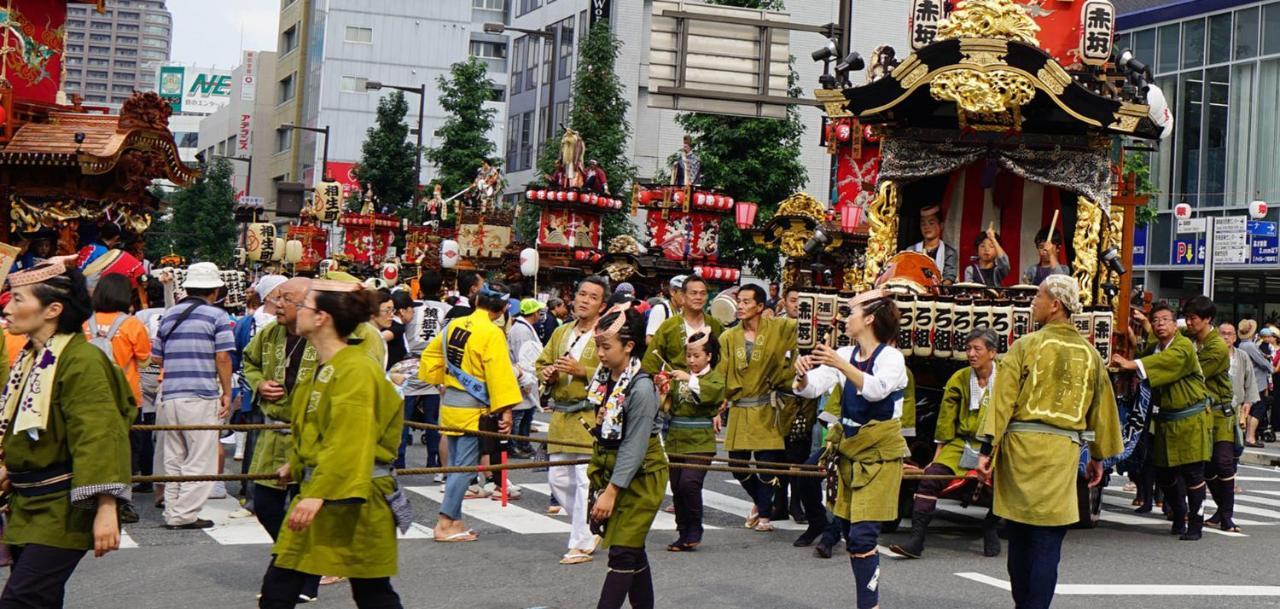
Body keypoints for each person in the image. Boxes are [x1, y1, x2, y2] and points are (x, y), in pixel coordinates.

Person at [256, 280, 405, 609]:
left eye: (305, 305)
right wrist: (296, 464)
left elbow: (350, 439)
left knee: (371, 591)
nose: (296, 310)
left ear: (322, 317)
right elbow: (318, 432)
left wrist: (319, 493)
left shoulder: (355, 369)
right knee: (282, 584)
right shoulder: (328, 365)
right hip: (329, 489)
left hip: (355, 495)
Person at [980, 275, 1122, 609]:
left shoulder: (1025, 345)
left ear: (1055, 304)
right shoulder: (1090, 354)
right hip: (1062, 453)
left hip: (1020, 450)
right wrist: (1098, 456)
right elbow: (1102, 411)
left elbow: (1002, 402)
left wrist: (987, 449)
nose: (1034, 301)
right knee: (1047, 542)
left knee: (1020, 538)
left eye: (1038, 296)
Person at [0, 262, 133, 608]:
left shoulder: (82, 361)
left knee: (22, 598)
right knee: (37, 598)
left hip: (62, 506)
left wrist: (106, 506)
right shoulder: (32, 357)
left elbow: (100, 435)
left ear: (53, 309)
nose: (8, 308)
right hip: (27, 503)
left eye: (17, 299)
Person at [794, 289, 910, 609]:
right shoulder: (845, 353)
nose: (847, 318)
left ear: (869, 318)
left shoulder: (891, 358)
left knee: (862, 536)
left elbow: (875, 390)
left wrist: (839, 364)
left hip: (879, 454)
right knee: (849, 535)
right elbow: (813, 387)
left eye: (852, 313)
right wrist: (802, 374)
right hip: (848, 448)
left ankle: (868, 605)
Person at [418, 282, 522, 542]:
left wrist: (442, 380)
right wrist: (506, 410)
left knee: (456, 464)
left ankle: (455, 519)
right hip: (473, 407)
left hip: (450, 401)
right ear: (501, 310)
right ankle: (445, 522)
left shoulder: (454, 325)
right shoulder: (491, 332)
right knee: (464, 468)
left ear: (476, 301)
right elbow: (499, 374)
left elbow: (430, 358)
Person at [891, 327, 1002, 559]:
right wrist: (938, 456)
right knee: (930, 477)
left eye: (977, 349)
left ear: (992, 353)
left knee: (1008, 485)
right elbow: (946, 419)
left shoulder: (1006, 378)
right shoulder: (959, 378)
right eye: (968, 348)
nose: (971, 353)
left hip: (996, 446)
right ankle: (917, 539)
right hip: (961, 443)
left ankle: (990, 527)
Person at [587, 305, 669, 609]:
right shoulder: (606, 378)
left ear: (629, 346)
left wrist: (610, 492)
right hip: (616, 470)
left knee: (622, 551)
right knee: (633, 550)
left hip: (642, 475)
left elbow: (635, 446)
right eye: (598, 346)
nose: (600, 354)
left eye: (606, 347)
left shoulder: (642, 387)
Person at [1112, 302, 1212, 541]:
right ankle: (1179, 515)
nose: (1160, 325)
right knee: (1165, 474)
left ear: (1174, 325)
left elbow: (1163, 363)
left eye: (1165, 320)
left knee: (1193, 474)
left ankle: (1195, 524)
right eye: (1155, 320)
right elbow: (1144, 360)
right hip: (1165, 420)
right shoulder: (1155, 349)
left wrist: (1132, 364)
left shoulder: (1183, 346)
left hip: (1190, 418)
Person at [152, 262, 235, 530]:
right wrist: (226, 392)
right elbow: (222, 357)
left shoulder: (170, 315)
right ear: (215, 290)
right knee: (201, 458)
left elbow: (156, 356)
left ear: (187, 287)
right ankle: (183, 514)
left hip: (169, 394)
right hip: (200, 393)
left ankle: (173, 511)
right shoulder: (217, 316)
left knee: (173, 455)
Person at [538, 276, 609, 564]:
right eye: (582, 294)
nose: (584, 300)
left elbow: (614, 372)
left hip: (588, 414)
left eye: (593, 297)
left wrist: (582, 371)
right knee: (557, 478)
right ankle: (590, 526)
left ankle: (579, 541)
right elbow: (542, 362)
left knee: (582, 479)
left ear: (602, 305)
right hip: (561, 412)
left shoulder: (605, 335)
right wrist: (547, 374)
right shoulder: (561, 332)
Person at [717, 284, 797, 532]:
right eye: (739, 301)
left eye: (747, 302)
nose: (740, 306)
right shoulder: (728, 337)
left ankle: (764, 516)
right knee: (737, 463)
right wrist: (717, 406)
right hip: (740, 406)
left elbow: (808, 329)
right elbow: (720, 373)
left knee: (766, 464)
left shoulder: (779, 328)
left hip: (767, 407)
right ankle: (759, 502)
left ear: (761, 307)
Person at [658, 331, 724, 552]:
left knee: (689, 484)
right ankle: (683, 532)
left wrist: (690, 379)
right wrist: (664, 389)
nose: (691, 361)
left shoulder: (714, 378)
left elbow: (713, 395)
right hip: (676, 438)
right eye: (689, 356)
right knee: (677, 487)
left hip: (700, 441)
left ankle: (695, 529)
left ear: (709, 356)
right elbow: (667, 408)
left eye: (696, 356)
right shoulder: (681, 377)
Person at [1181, 298, 1235, 535]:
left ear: (1207, 320)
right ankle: (1221, 513)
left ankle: (1226, 516)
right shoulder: (1191, 338)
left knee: (1223, 462)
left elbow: (1195, 372)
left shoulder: (1217, 347)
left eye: (1194, 318)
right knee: (1208, 465)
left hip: (1219, 411)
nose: (1189, 322)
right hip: (1200, 411)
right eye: (1188, 317)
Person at [401, 270, 452, 474]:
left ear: (419, 287)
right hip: (434, 366)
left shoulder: (410, 309)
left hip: (410, 365)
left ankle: (400, 460)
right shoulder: (448, 309)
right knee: (432, 419)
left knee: (404, 418)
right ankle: (433, 460)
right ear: (441, 288)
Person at [1216, 321, 1258, 531]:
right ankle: (1221, 511)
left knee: (1230, 460)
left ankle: (1224, 513)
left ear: (1235, 337)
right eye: (1222, 333)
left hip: (1235, 412)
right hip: (1214, 411)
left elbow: (1250, 386)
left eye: (1229, 334)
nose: (1226, 337)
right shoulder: (1211, 355)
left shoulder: (1242, 356)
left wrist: (1246, 409)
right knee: (1216, 465)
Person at [642, 275, 722, 375]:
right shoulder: (669, 325)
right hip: (676, 385)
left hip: (707, 386)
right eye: (693, 293)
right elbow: (650, 362)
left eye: (703, 293)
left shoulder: (715, 324)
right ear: (683, 296)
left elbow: (723, 358)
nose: (698, 297)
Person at [508, 298, 546, 458]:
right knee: (518, 414)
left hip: (526, 374)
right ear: (534, 313)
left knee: (526, 413)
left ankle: (523, 443)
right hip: (522, 375)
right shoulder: (522, 331)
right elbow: (522, 356)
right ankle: (514, 445)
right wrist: (525, 378)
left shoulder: (524, 328)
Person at [1236, 319, 1271, 447]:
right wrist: (1271, 368)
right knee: (1258, 408)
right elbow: (1261, 361)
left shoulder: (1242, 345)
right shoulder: (1249, 345)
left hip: (1252, 380)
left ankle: (1249, 436)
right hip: (1256, 381)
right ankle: (1251, 437)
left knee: (1252, 408)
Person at [908, 205, 957, 283]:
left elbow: (949, 277)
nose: (927, 227)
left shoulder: (949, 252)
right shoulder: (911, 250)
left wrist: (938, 288)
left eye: (931, 223)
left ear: (941, 225)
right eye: (923, 224)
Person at [385, 291, 417, 370]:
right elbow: (379, 338)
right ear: (402, 311)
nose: (414, 311)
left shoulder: (397, 325)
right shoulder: (396, 327)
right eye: (412, 308)